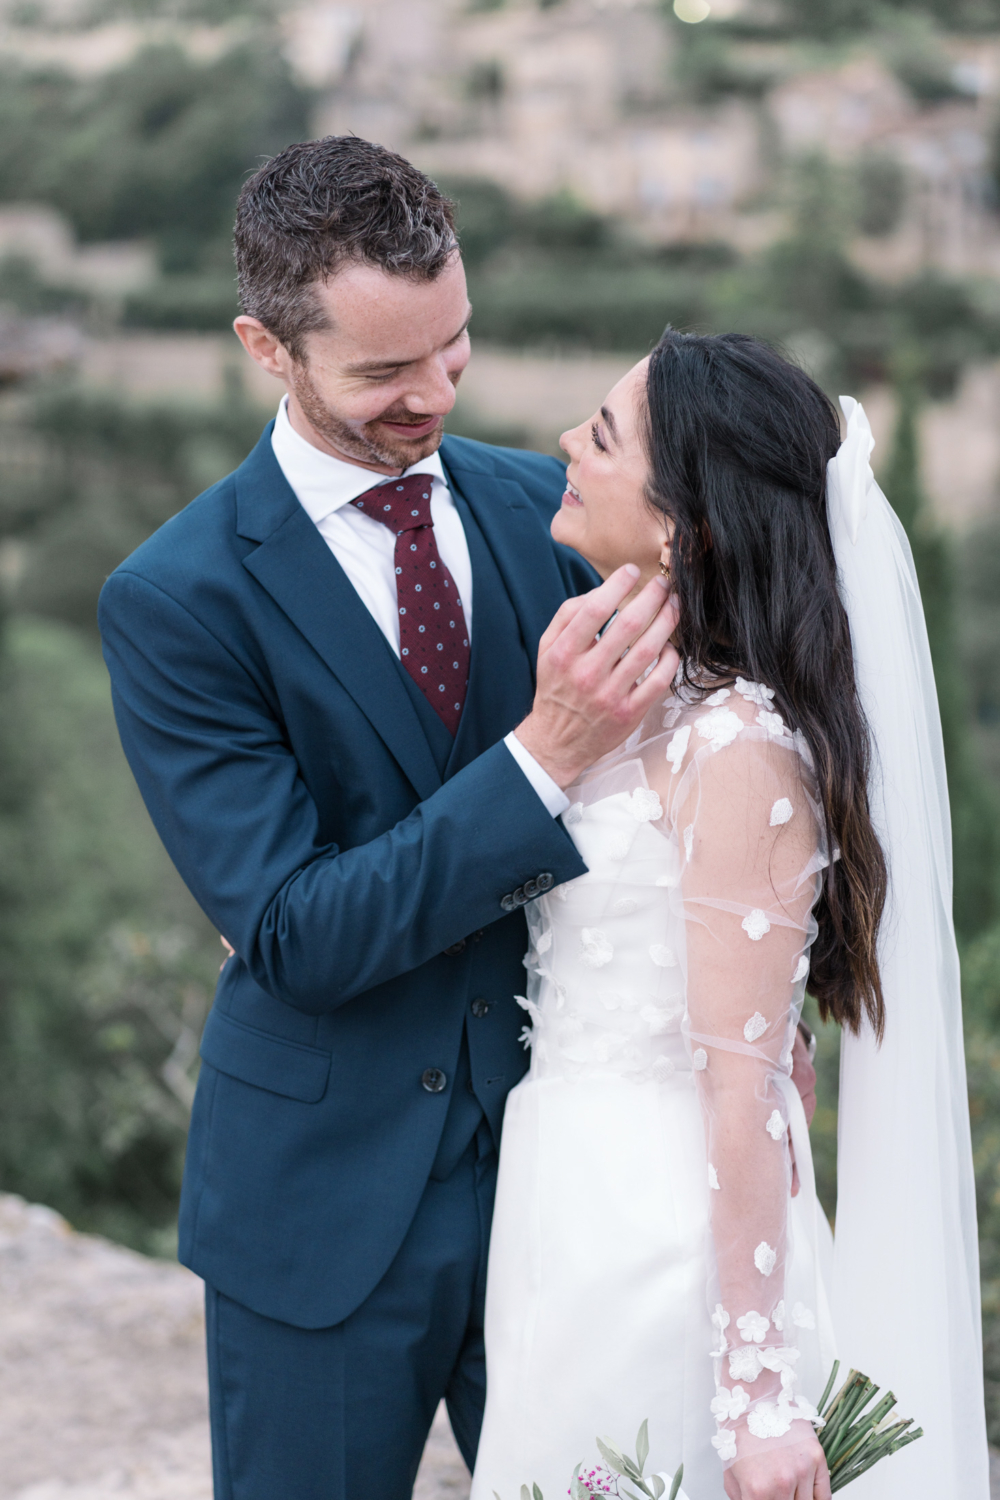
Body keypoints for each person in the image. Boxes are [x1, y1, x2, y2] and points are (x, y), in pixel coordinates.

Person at [97, 136, 815, 1499]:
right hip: (323, 1204)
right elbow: (297, 931)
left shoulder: (546, 510)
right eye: (382, 371)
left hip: (582, 1204)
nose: (432, 393)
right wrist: (543, 757)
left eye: (455, 345)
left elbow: (731, 776)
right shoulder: (176, 599)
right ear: (268, 346)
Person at [470, 332, 988, 1500]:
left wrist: (756, 1398)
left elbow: (741, 1086)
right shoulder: (637, 709)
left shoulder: (739, 746)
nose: (564, 442)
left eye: (602, 435)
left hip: (668, 1239)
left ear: (678, 527)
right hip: (569, 1203)